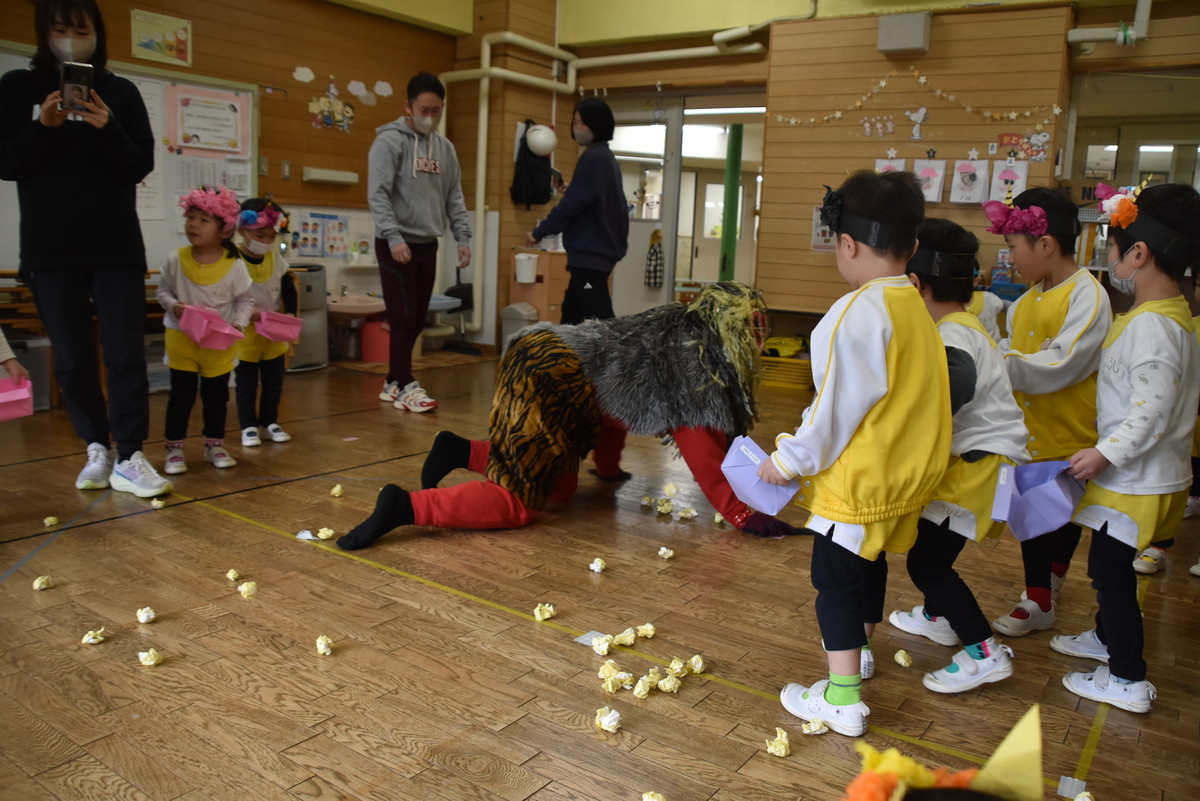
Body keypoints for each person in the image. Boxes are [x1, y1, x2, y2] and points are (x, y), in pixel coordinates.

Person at [336, 282, 805, 551]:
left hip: (556, 361)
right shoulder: (695, 363)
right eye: (753, 327)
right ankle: (406, 507)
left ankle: (463, 451)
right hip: (551, 369)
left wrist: (608, 469)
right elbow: (703, 451)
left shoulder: (676, 328)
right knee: (519, 502)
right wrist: (742, 513)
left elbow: (621, 401)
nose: (759, 339)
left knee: (559, 488)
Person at [758, 171, 951, 737]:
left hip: (858, 483)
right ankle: (859, 653)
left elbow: (834, 409)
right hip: (902, 480)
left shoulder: (855, 312)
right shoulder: (914, 304)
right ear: (912, 245)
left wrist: (787, 460)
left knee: (835, 585)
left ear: (847, 243)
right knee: (869, 565)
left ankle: (842, 700)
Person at [0, 0, 170, 498]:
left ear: (97, 31)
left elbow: (138, 164)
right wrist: (44, 128)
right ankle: (98, 446)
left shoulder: (120, 92)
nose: (71, 37)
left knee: (124, 353)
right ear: (44, 31)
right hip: (50, 249)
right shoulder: (17, 87)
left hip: (116, 245)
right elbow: (7, 163)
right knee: (72, 359)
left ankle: (131, 452)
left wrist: (106, 127)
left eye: (81, 28)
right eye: (61, 27)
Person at [1050, 183, 1200, 714]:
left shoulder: (1154, 327)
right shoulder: (1168, 314)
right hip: (1143, 476)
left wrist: (1105, 454)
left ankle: (1127, 677)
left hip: (1137, 478)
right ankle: (1106, 638)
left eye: (1112, 250)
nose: (1110, 261)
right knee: (1109, 566)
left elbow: (1150, 410)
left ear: (1139, 253)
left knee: (1110, 573)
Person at [888, 219, 1030, 694]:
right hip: (987, 464)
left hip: (979, 467)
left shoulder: (951, 335)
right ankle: (937, 616)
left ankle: (984, 652)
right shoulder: (966, 325)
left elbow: (958, 382)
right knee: (934, 545)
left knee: (926, 563)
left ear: (915, 284)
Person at [984, 188, 1111, 637]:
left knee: (1063, 513)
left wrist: (995, 364)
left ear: (1045, 244)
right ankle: (1038, 597)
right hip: (1027, 430)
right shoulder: (1024, 301)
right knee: (1032, 514)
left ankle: (1052, 579)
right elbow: (1012, 349)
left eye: (1013, 247)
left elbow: (1064, 362)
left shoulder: (1088, 296)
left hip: (1071, 429)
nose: (1010, 259)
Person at [367, 71, 471, 413]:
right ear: (408, 107)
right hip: (395, 244)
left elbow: (454, 195)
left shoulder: (445, 149)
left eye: (436, 111)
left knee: (415, 318)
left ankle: (393, 381)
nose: (430, 117)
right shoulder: (389, 143)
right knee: (402, 316)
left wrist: (463, 237)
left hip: (427, 242)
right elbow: (378, 194)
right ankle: (405, 384)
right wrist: (394, 236)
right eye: (424, 110)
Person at [156, 187, 253, 475]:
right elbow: (162, 291)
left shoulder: (234, 265)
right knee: (181, 397)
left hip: (218, 343)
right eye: (191, 217)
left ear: (225, 230)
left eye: (203, 220)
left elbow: (245, 300)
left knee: (216, 398)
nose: (193, 225)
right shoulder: (176, 259)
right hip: (181, 339)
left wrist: (239, 323)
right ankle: (174, 449)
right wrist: (172, 306)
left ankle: (214, 445)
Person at [525, 98, 629, 324]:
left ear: (596, 124)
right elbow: (593, 197)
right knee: (572, 314)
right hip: (595, 254)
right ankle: (565, 349)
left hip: (590, 255)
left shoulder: (593, 158)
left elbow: (570, 206)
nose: (576, 128)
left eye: (582, 123)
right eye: (574, 122)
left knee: (599, 318)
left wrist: (539, 232)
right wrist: (572, 190)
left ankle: (621, 350)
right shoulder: (606, 157)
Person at [233, 198, 297, 447]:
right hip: (245, 332)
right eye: (260, 235)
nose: (267, 241)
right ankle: (248, 425)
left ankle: (269, 421)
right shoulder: (233, 260)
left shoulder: (275, 259)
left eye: (271, 236)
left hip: (272, 330)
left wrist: (290, 313)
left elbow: (288, 288)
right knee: (246, 384)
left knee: (274, 382)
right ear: (242, 231)